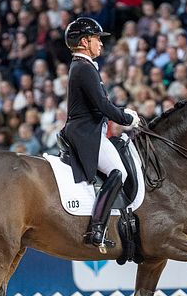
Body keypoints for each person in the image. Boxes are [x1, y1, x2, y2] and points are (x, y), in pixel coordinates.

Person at [60, 17, 141, 250]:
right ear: (84, 41)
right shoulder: (83, 68)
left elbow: (101, 105)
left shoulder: (83, 66)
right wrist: (127, 118)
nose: (101, 44)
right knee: (119, 172)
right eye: (97, 39)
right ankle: (97, 229)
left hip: (88, 129)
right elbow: (103, 105)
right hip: (86, 132)